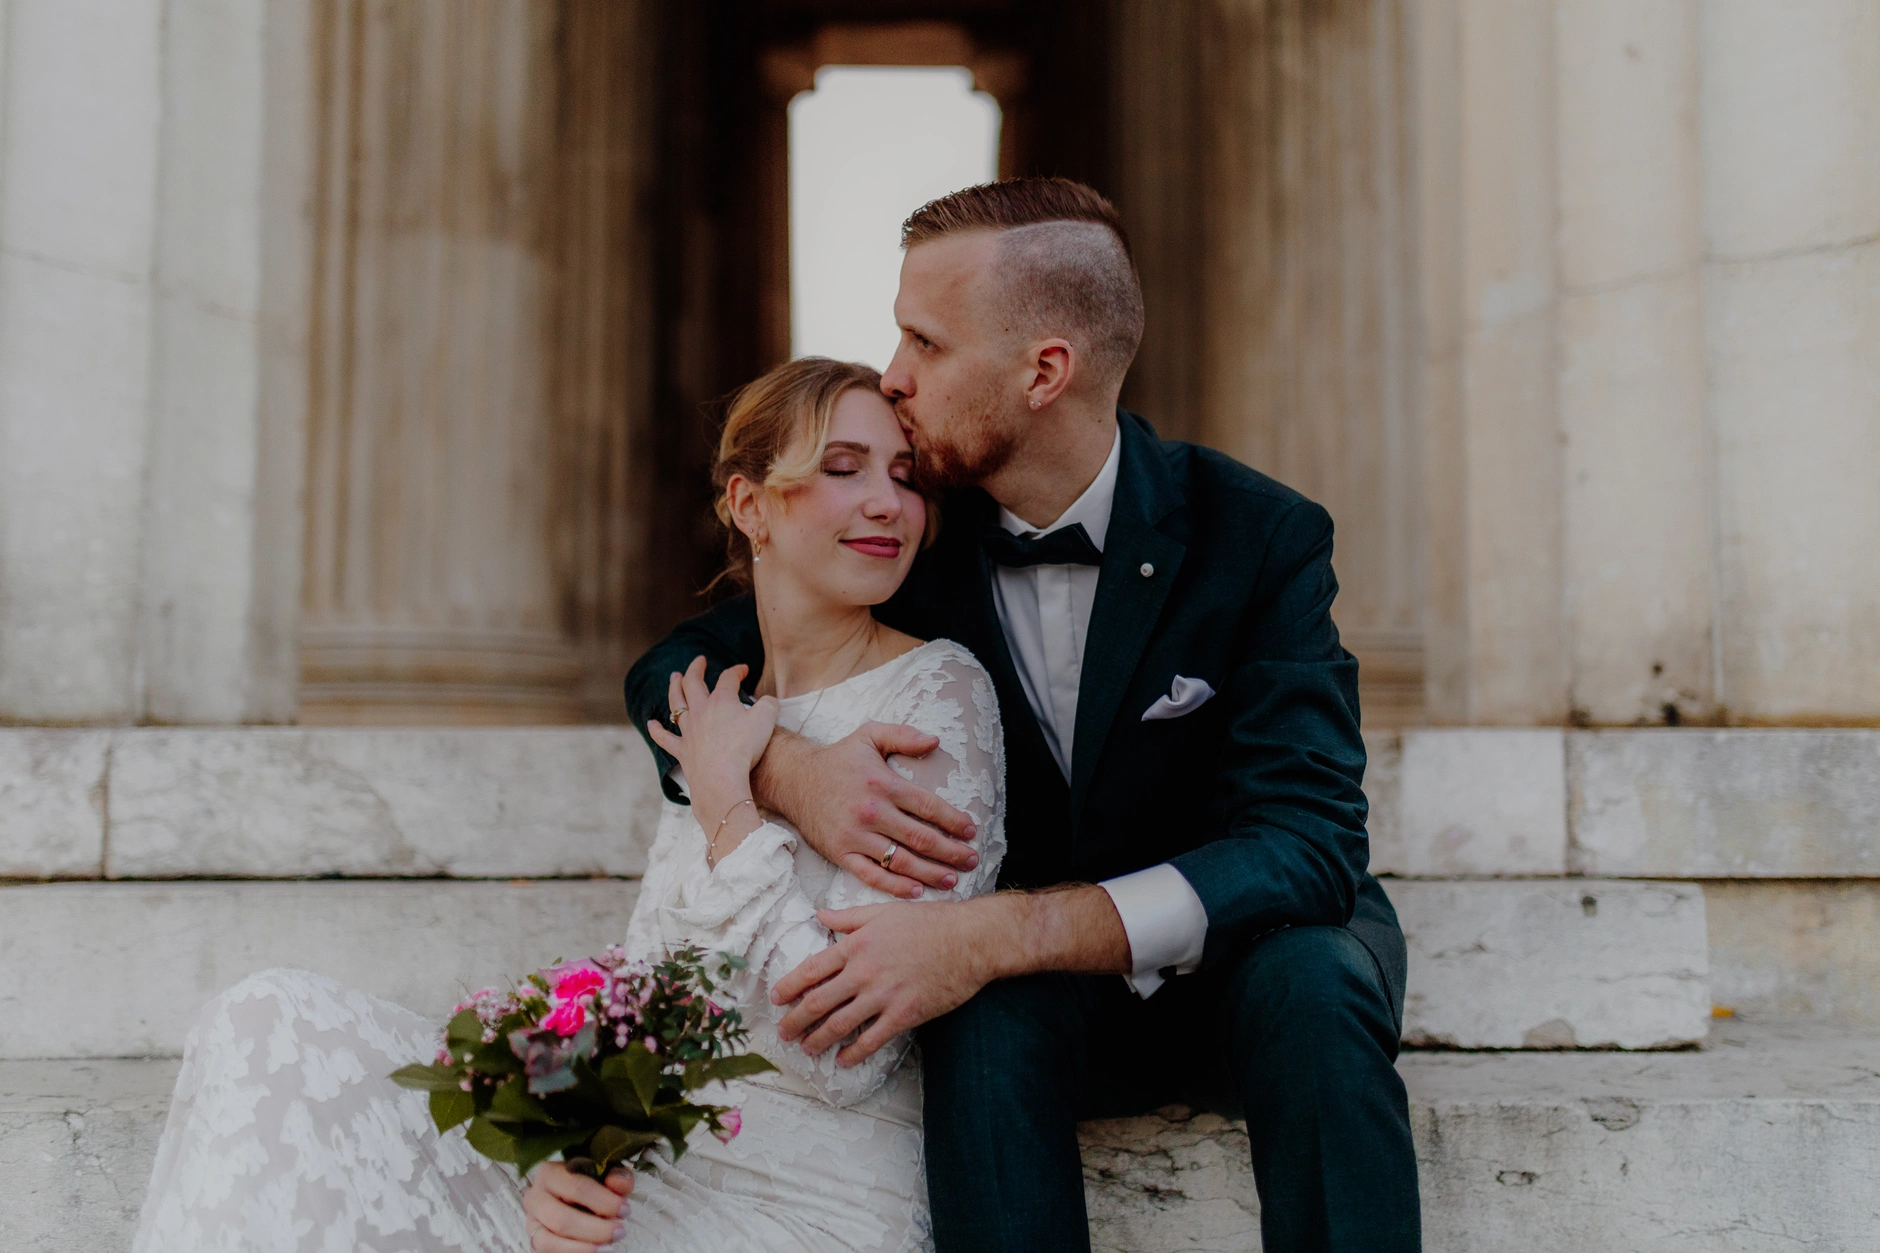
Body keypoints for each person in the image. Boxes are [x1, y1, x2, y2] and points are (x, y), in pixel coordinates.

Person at [622, 178, 1421, 1253]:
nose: (893, 376)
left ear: (1043, 371)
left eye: (925, 342)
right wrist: (790, 772)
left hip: (1245, 961)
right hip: (1040, 998)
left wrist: (1002, 930)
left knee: (1316, 980)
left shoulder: (1256, 535)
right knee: (981, 1013)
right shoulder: (911, 538)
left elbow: (1308, 844)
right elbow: (671, 668)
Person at [131, 357, 1008, 1253]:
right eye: (843, 468)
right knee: (265, 1018)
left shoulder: (938, 692)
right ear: (751, 505)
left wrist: (732, 813)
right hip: (646, 1168)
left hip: (801, 1205)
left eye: (905, 476)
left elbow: (846, 1057)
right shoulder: (723, 712)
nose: (888, 503)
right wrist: (561, 1144)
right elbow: (657, 994)